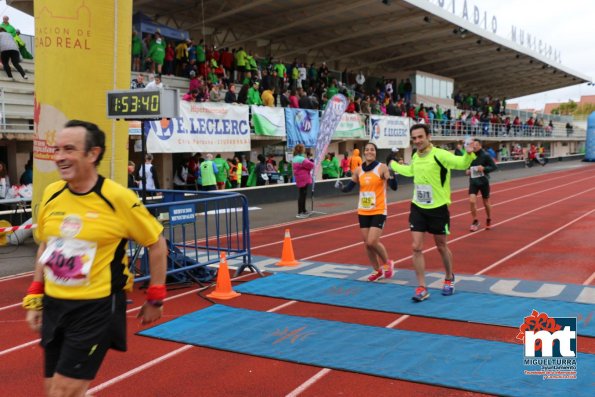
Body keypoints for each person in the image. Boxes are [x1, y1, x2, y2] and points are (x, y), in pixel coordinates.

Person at [22, 120, 167, 397]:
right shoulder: (52, 194)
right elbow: (46, 247)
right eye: (57, 150)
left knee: (62, 392)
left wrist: (156, 297)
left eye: (69, 149)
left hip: (96, 308)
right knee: (54, 389)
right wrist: (35, 294)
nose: (60, 157)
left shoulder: (117, 198)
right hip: (55, 304)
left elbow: (156, 244)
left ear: (93, 154)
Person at [390, 123, 475, 302]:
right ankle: (421, 286)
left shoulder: (440, 155)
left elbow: (461, 164)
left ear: (428, 137)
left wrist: (468, 153)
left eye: (420, 137)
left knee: (441, 246)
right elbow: (410, 171)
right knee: (416, 247)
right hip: (418, 207)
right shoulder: (415, 156)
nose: (417, 141)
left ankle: (449, 277)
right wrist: (393, 165)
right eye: (414, 138)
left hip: (438, 209)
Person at [337, 142, 398, 281]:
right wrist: (341, 187)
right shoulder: (358, 170)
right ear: (364, 152)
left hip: (378, 209)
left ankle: (388, 263)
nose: (370, 152)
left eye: (372, 150)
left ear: (375, 152)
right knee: (367, 244)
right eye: (367, 150)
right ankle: (377, 270)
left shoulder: (381, 168)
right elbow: (349, 187)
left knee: (372, 241)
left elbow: (394, 187)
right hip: (363, 210)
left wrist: (392, 175)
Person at [467, 139, 497, 232]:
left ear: (480, 145)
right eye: (473, 145)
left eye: (476, 145)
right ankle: (475, 221)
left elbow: (494, 167)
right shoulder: (470, 156)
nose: (474, 146)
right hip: (473, 181)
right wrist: (467, 170)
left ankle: (488, 218)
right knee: (472, 201)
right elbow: (466, 165)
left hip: (483, 181)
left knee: (486, 202)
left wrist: (484, 168)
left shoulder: (486, 155)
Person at [292, 144, 314, 218]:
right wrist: (311, 160)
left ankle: (303, 210)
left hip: (299, 178)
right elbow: (311, 165)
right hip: (304, 178)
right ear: (302, 150)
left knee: (302, 194)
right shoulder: (302, 159)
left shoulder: (295, 158)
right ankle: (301, 211)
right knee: (302, 195)